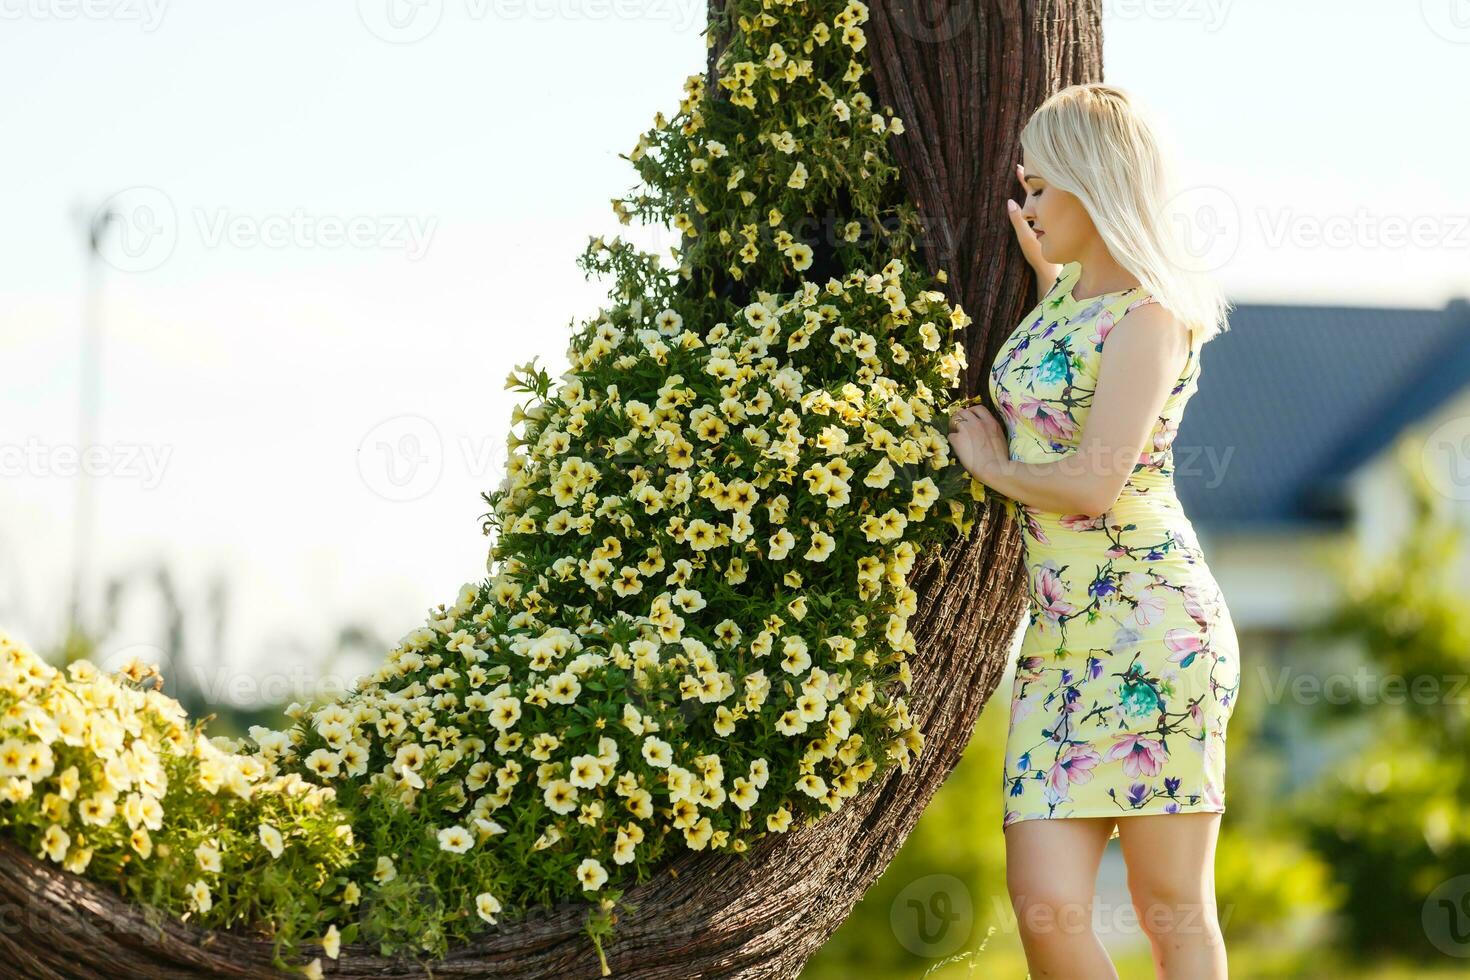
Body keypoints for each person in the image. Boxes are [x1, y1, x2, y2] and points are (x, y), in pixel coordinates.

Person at [946, 83, 1241, 980]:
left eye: (1040, 188)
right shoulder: (1066, 303)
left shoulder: (1151, 315)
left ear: (1091, 182)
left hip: (1156, 632)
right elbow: (1057, 378)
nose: (1026, 205)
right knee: (1044, 905)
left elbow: (1095, 480)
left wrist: (995, 471)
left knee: (1168, 907)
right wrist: (1048, 281)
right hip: (1060, 644)